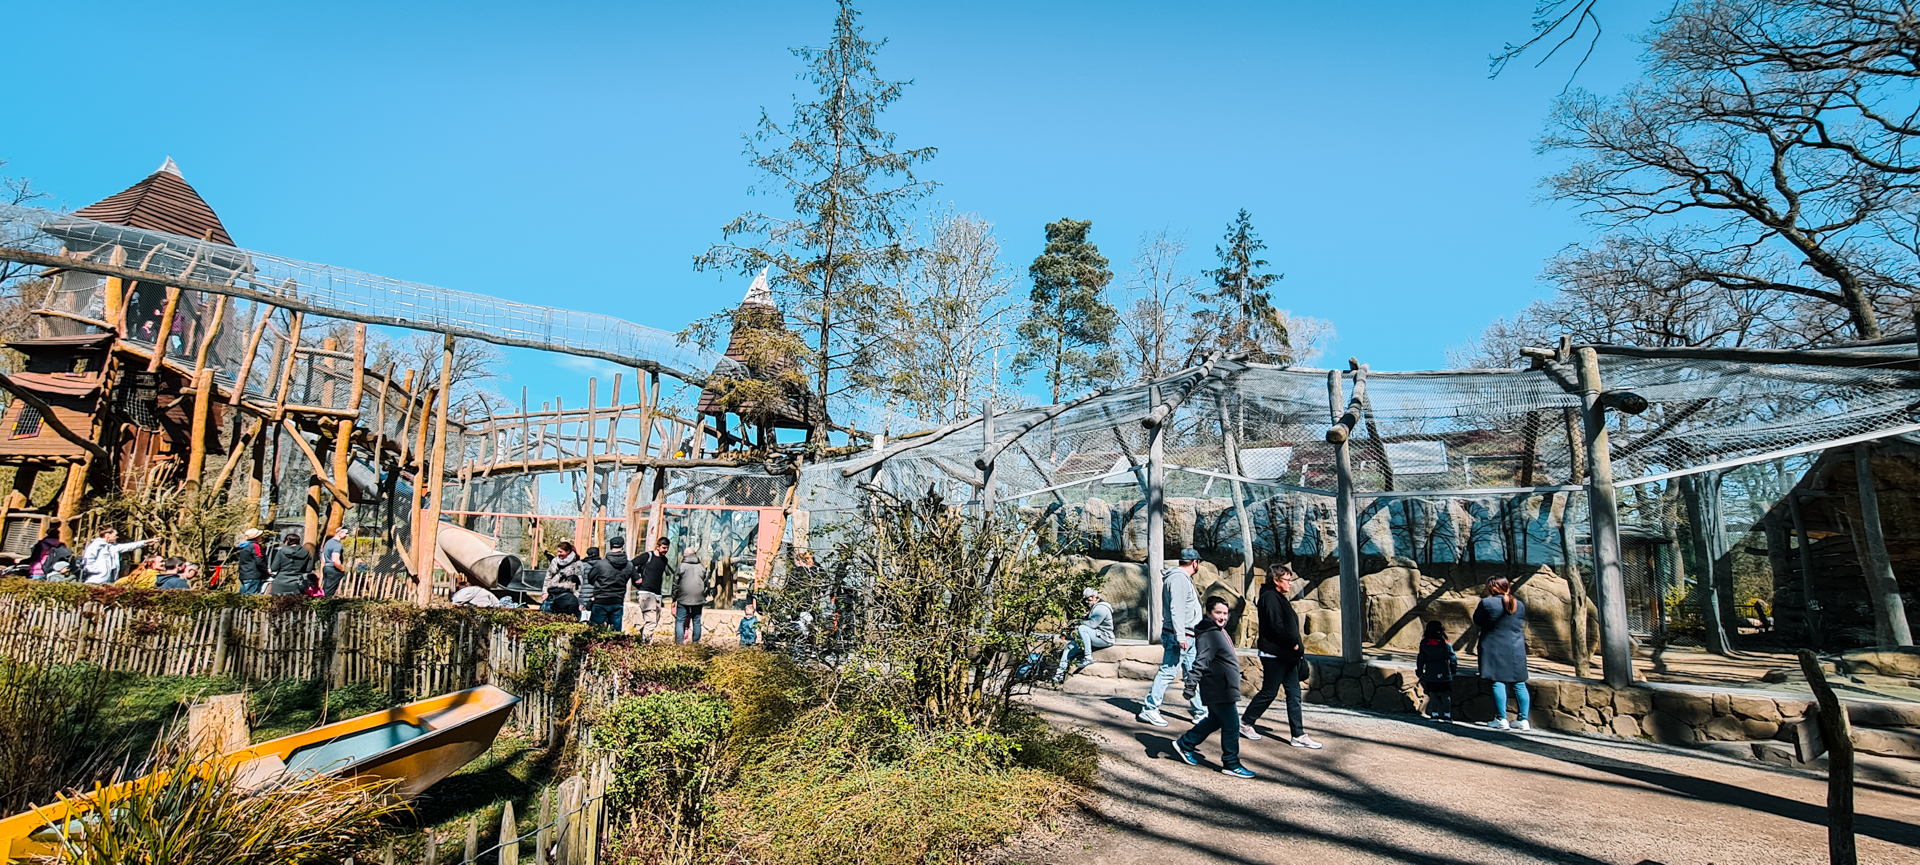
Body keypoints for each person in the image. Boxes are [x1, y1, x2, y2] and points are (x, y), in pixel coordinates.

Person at [1172, 597, 1256, 779]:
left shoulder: (1218, 631)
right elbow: (1201, 661)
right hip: (1219, 687)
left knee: (1215, 720)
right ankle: (1231, 763)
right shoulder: (1210, 634)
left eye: (1225, 613)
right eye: (1218, 613)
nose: (1222, 617)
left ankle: (1185, 743)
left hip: (1223, 686)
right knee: (1232, 726)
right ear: (1209, 613)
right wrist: (1190, 685)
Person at [1241, 563, 1321, 748]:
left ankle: (1298, 734)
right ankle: (1245, 722)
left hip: (1287, 656)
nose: (1290, 583)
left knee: (1294, 694)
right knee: (1269, 692)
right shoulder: (1269, 597)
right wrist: (1293, 643)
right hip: (1275, 655)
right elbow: (1276, 626)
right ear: (1276, 580)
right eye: (1287, 580)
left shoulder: (1279, 598)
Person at [1138, 547, 1208, 727]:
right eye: (1199, 563)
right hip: (1180, 635)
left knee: (1193, 673)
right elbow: (1177, 608)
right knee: (1168, 671)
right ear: (1195, 563)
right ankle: (1150, 709)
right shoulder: (1178, 579)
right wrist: (1180, 635)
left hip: (1188, 635)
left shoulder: (1181, 578)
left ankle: (1201, 711)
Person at [1474, 576, 1531, 731]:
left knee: (1498, 681)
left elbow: (1477, 620)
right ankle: (1523, 720)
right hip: (1516, 648)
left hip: (1494, 647)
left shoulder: (1487, 603)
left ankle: (1501, 719)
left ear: (1491, 588)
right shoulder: (1519, 604)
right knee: (1519, 683)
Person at [1055, 587, 1115, 684]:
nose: (1087, 602)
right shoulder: (1094, 607)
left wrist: (1078, 622)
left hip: (1104, 638)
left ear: (1094, 597)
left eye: (1088, 599)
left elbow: (1092, 624)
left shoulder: (1101, 608)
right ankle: (1059, 676)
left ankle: (1088, 657)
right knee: (1068, 648)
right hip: (1094, 637)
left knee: (1082, 628)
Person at [629, 537, 673, 641]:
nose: (666, 550)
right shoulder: (647, 556)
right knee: (651, 621)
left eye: (667, 548)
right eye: (664, 548)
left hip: (657, 594)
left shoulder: (664, 560)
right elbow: (630, 564)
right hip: (645, 592)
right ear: (658, 547)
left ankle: (643, 633)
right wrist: (637, 577)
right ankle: (646, 644)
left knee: (656, 619)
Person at [1415, 619, 1459, 721]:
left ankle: (1435, 714)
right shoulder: (1446, 644)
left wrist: (1419, 671)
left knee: (1433, 694)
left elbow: (1421, 659)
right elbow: (1453, 658)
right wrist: (1453, 670)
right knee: (1445, 695)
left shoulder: (1425, 644)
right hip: (1445, 673)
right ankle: (1447, 715)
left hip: (1431, 672)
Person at [81, 528, 155, 585]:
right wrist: (98, 570)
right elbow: (88, 559)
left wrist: (145, 542)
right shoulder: (96, 545)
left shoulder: (112, 547)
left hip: (108, 582)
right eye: (115, 535)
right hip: (95, 581)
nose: (116, 537)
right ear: (107, 535)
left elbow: (129, 546)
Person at [583, 545, 628, 629]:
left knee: (595, 629)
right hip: (617, 599)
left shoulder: (599, 564)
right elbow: (637, 580)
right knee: (616, 630)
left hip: (599, 598)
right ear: (622, 547)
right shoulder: (627, 564)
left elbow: (590, 579)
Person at [674, 550, 707, 645]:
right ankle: (696, 643)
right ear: (695, 554)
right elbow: (706, 584)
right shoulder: (701, 567)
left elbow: (675, 584)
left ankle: (679, 643)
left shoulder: (681, 567)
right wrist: (703, 596)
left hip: (683, 597)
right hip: (698, 598)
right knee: (697, 621)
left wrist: (674, 597)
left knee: (680, 621)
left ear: (685, 555)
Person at [268, 531, 315, 596]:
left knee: (278, 601)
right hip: (296, 583)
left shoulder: (281, 551)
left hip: (280, 582)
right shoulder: (306, 553)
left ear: (287, 541)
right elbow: (308, 570)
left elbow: (274, 568)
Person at [234, 528, 269, 595]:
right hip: (253, 575)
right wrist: (266, 572)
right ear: (256, 537)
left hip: (243, 575)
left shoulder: (243, 546)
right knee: (251, 596)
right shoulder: (255, 546)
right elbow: (259, 561)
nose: (261, 537)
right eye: (260, 535)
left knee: (242, 597)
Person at [319, 527, 349, 597]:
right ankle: (327, 602)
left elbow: (323, 558)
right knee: (330, 592)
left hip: (326, 568)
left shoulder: (328, 542)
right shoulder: (337, 545)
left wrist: (322, 569)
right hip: (333, 569)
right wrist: (342, 569)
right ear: (340, 533)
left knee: (325, 589)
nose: (347, 535)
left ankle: (321, 601)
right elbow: (335, 560)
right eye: (346, 533)